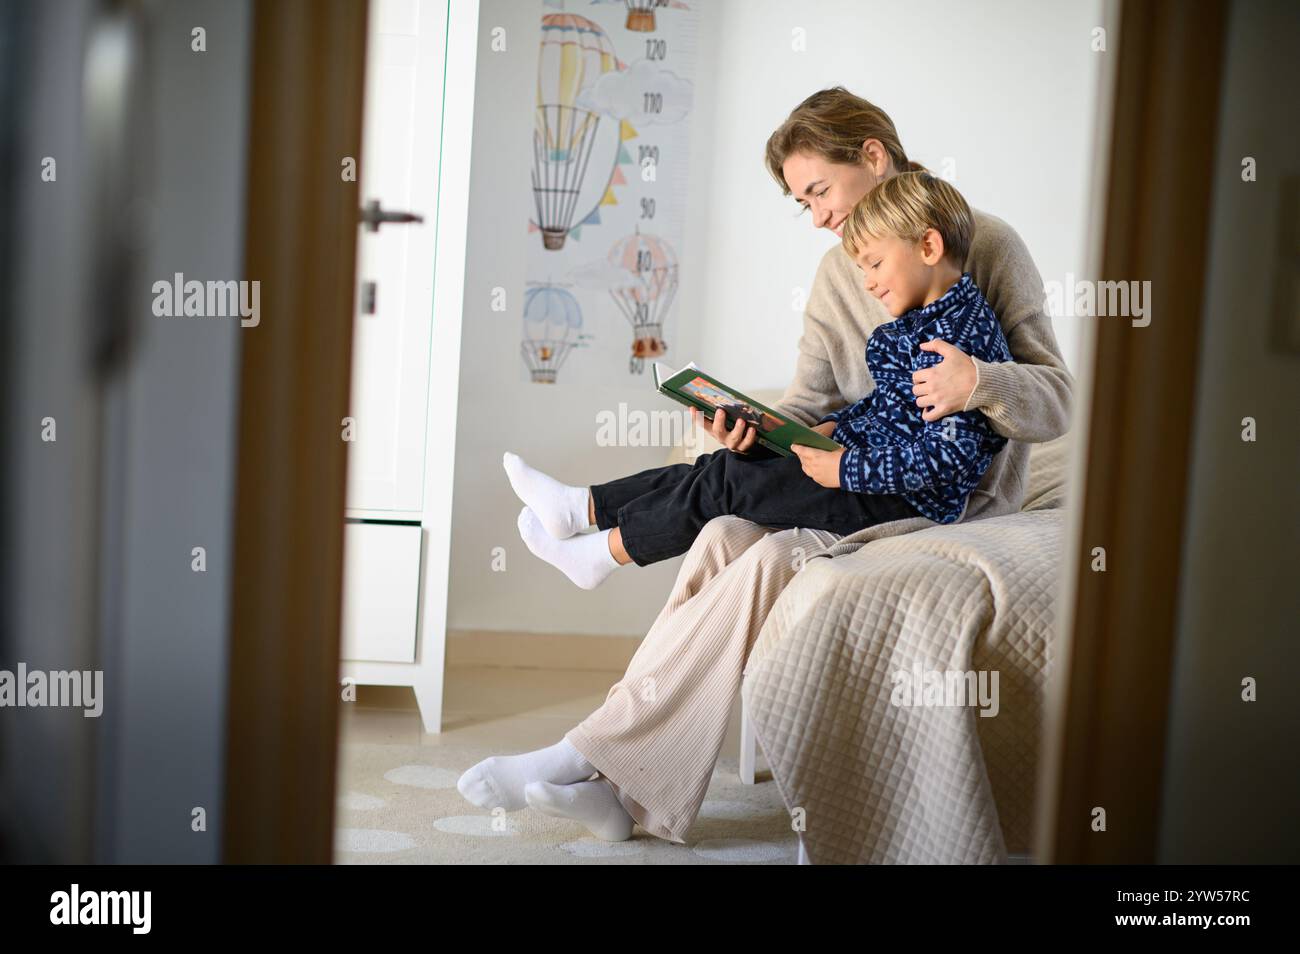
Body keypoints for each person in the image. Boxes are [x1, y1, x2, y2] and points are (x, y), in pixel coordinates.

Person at [457, 87, 1073, 845]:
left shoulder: (987, 245)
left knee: (768, 555)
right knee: (721, 530)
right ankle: (627, 791)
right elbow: (812, 406)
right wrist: (752, 430)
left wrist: (978, 382)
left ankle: (588, 752)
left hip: (946, 494)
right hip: (854, 469)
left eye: (818, 190)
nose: (815, 216)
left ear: (873, 158)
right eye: (800, 203)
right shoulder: (833, 275)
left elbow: (1057, 401)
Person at [504, 172, 1014, 593]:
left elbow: (950, 459)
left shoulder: (957, 344)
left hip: (897, 499)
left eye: (876, 264)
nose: (869, 283)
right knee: (721, 463)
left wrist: (847, 467)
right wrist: (840, 424)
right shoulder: (924, 322)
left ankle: (604, 553)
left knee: (729, 482)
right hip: (859, 467)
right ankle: (581, 506)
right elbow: (893, 407)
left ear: (928, 246)